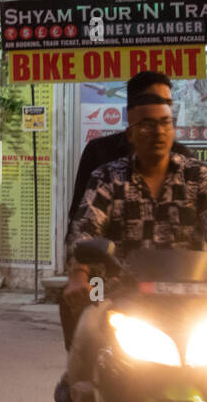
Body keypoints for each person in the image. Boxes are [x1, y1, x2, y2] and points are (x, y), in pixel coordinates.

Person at [59, 93, 207, 402]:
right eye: (146, 124)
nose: (157, 131)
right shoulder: (108, 176)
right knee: (88, 336)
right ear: (131, 132)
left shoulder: (199, 176)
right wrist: (79, 272)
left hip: (194, 298)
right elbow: (85, 228)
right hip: (121, 295)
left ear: (172, 127)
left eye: (164, 122)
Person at [61, 70, 191, 349]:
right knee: (86, 336)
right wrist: (78, 272)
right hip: (104, 274)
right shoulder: (100, 153)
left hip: (163, 277)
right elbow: (80, 218)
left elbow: (204, 224)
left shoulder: (183, 159)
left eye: (168, 103)